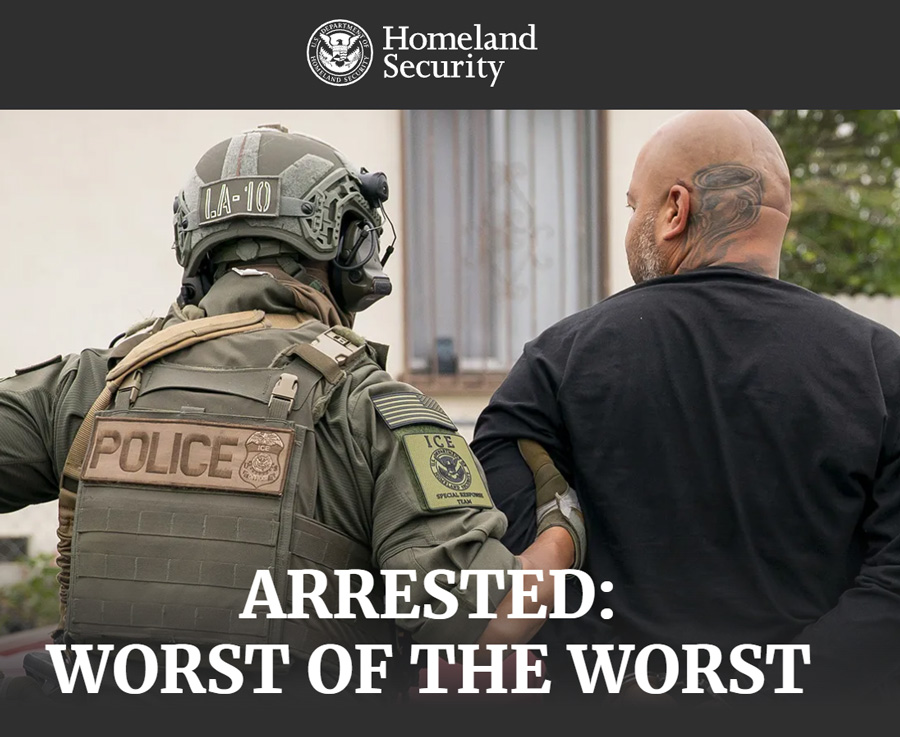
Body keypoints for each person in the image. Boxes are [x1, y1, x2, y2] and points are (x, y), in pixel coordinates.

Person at [0, 123, 584, 702]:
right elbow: (489, 622)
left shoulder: (95, 384)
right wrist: (563, 526)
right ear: (346, 246)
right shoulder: (373, 408)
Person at [471, 109, 900, 703]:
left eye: (633, 207)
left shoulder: (554, 366)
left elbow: (508, 567)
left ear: (675, 209)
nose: (630, 227)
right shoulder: (881, 368)